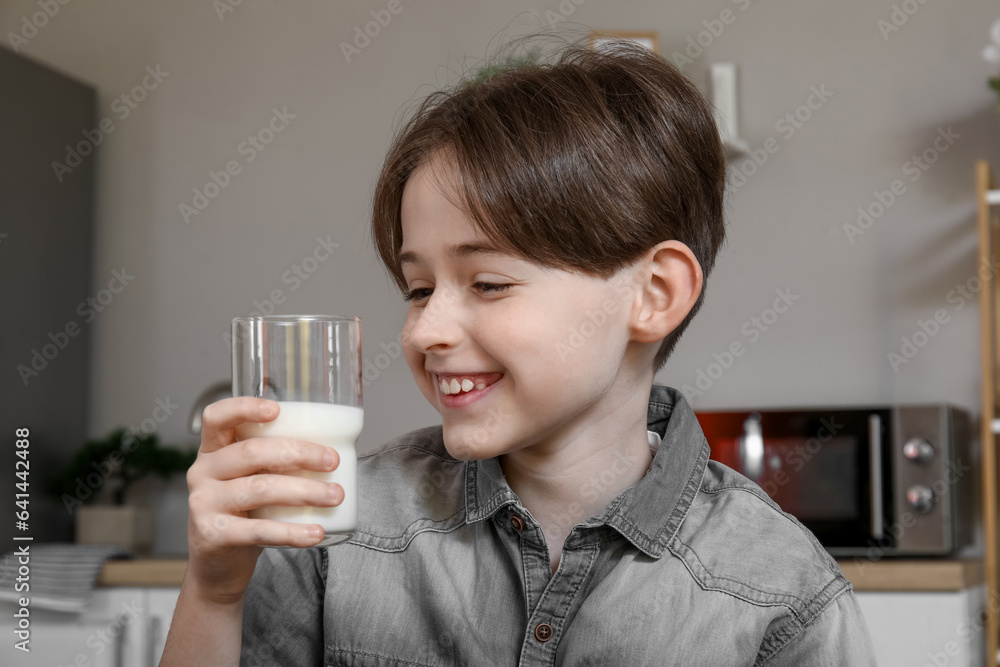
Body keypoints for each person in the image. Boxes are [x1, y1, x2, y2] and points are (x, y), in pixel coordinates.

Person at [160, 36, 878, 666]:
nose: (425, 330)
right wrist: (216, 592)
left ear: (654, 293)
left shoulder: (783, 595)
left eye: (490, 282)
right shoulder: (333, 533)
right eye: (417, 288)